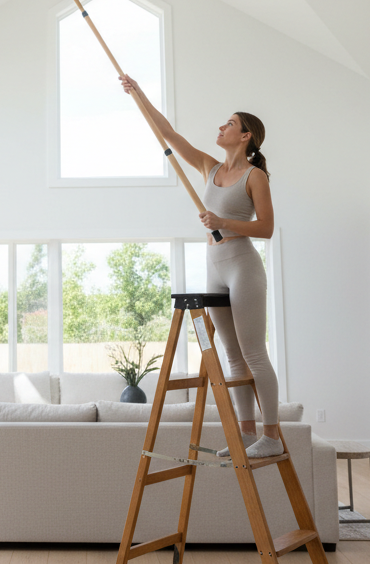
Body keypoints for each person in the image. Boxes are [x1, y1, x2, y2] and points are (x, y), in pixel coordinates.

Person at [120, 75, 281, 458]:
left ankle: (271, 436)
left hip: (242, 265)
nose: (221, 127)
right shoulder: (209, 168)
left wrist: (223, 222)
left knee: (254, 352)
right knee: (231, 354)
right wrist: (138, 94)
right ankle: (244, 434)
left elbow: (267, 228)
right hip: (215, 265)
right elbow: (169, 133)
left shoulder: (254, 176)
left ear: (245, 137)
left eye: (229, 124)